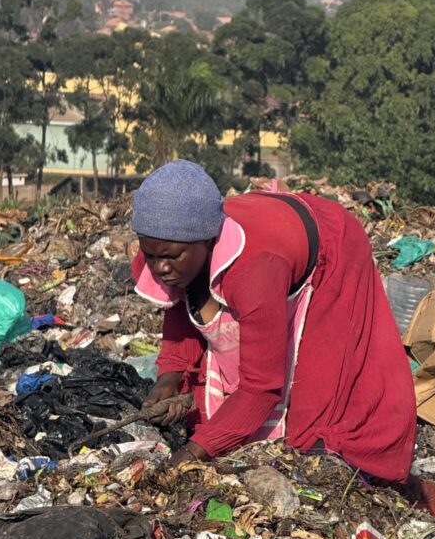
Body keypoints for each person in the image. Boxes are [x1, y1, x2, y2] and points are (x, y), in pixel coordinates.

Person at [131, 160, 416, 480]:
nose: (159, 268)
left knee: (316, 403)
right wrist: (169, 377)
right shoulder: (167, 241)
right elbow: (180, 308)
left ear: (207, 240)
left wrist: (194, 452)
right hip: (267, 231)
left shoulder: (256, 269)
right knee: (208, 404)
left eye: (169, 257)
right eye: (150, 255)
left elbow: (261, 387)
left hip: (330, 245)